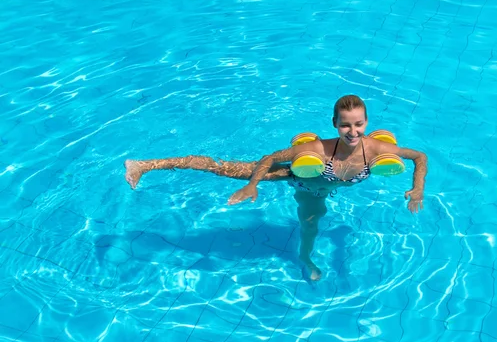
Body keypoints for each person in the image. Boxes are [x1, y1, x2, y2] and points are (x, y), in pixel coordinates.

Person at [124, 95, 428, 281]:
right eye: (345, 125)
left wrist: (417, 191)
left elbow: (419, 157)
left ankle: (304, 258)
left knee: (312, 227)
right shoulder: (317, 147)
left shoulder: (374, 147)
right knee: (222, 168)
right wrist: (253, 185)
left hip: (326, 187)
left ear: (366, 123)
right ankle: (143, 165)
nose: (353, 131)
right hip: (300, 180)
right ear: (335, 123)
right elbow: (270, 157)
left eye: (359, 124)